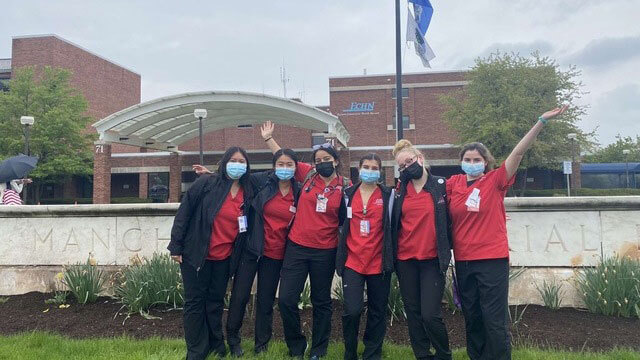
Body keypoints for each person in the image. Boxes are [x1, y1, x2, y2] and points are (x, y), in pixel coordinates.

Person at [447, 106, 568, 360]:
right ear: (461, 162)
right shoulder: (453, 184)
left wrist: (540, 122)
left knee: (494, 319)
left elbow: (518, 152)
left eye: (476, 160)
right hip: (464, 261)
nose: (471, 164)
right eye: (467, 160)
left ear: (486, 162)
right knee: (473, 317)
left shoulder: (495, 180)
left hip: (491, 260)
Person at [262, 121, 349, 360]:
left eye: (326, 159)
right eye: (318, 160)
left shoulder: (346, 187)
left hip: (325, 252)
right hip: (297, 248)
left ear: (336, 161)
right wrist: (269, 138)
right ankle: (296, 346)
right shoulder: (308, 175)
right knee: (287, 300)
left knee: (321, 303)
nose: (322, 163)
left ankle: (319, 350)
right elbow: (283, 159)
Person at [168, 147, 253, 360]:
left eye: (242, 161)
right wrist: (176, 246)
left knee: (215, 302)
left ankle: (216, 345)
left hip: (224, 258)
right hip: (196, 255)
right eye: (233, 160)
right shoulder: (206, 184)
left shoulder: (248, 190)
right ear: (225, 162)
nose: (237, 164)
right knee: (195, 303)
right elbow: (184, 213)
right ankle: (196, 350)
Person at [225, 148, 302, 356]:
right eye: (280, 164)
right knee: (240, 297)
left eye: (289, 165)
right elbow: (236, 177)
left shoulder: (300, 192)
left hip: (276, 255)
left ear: (296, 167)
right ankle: (233, 340)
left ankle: (262, 345)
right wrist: (210, 174)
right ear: (273, 166)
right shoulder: (262, 182)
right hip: (252, 249)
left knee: (266, 301)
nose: (284, 169)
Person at [391, 140, 452, 360]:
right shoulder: (399, 192)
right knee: (414, 314)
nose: (408, 167)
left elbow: (460, 211)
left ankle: (444, 354)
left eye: (410, 161)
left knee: (430, 315)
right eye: (402, 166)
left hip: (432, 260)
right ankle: (422, 355)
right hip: (405, 260)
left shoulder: (441, 186)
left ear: (421, 159)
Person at [335, 153, 394, 360]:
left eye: (374, 167)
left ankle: (372, 353)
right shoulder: (347, 193)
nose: (370, 171)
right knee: (352, 311)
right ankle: (350, 352)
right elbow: (341, 222)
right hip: (353, 262)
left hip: (379, 263)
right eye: (366, 167)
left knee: (377, 312)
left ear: (380, 170)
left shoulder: (389, 195)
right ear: (359, 169)